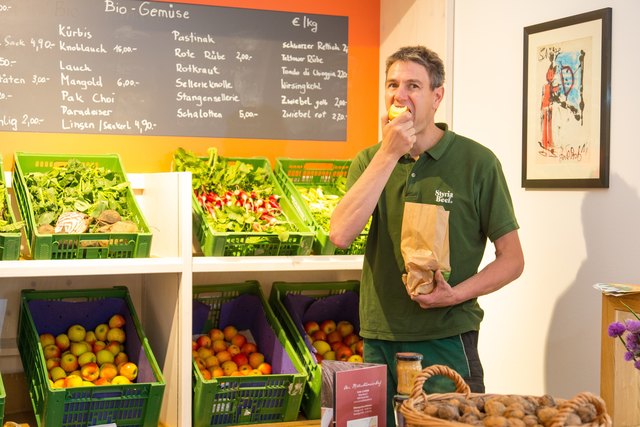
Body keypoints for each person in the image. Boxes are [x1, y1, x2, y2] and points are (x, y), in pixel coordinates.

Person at [330, 45, 524, 426]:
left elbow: (513, 260)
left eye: (413, 86)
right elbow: (340, 233)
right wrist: (388, 155)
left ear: (437, 96)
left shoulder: (477, 163)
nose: (399, 96)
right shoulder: (369, 160)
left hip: (447, 337)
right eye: (392, 84)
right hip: (379, 338)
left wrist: (455, 294)